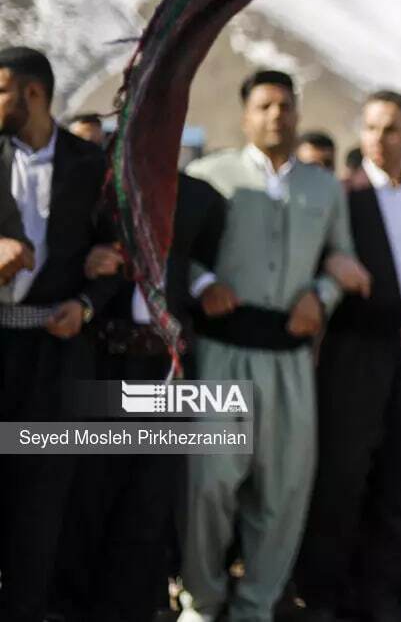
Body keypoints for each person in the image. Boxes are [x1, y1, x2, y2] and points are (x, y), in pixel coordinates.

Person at [180, 70, 369, 622]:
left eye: (285, 106)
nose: (275, 116)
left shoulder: (324, 187)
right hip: (223, 354)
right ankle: (202, 599)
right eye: (263, 106)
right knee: (208, 484)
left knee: (284, 492)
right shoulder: (207, 175)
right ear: (245, 114)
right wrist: (201, 284)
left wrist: (322, 295)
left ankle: (255, 606)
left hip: (290, 362)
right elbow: (177, 254)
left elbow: (342, 258)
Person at [294, 90, 401, 621]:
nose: (378, 138)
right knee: (341, 482)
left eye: (390, 128)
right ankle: (323, 600)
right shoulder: (341, 196)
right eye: (369, 127)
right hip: (353, 355)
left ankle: (381, 599)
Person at [55, 173, 226, 622]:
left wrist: (205, 282)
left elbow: (200, 263)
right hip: (102, 359)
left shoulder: (200, 197)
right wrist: (87, 261)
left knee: (149, 502)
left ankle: (133, 607)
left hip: (165, 368)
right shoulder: (101, 181)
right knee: (90, 492)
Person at [0, 46, 123, 622]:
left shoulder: (90, 165)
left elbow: (115, 257)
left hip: (56, 361)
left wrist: (86, 306)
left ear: (32, 94)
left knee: (41, 506)